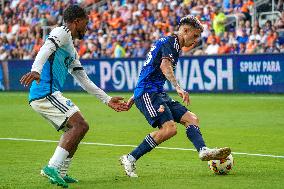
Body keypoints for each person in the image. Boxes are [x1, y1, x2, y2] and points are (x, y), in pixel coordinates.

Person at [20, 5, 128, 188]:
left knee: (80, 128)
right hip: (44, 92)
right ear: (76, 22)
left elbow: (84, 80)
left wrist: (107, 99)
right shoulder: (61, 32)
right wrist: (36, 70)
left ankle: (61, 172)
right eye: (85, 23)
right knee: (80, 125)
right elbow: (46, 48)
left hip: (49, 92)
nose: (87, 27)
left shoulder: (70, 48)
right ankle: (51, 167)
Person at [120, 16, 231, 178]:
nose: (196, 40)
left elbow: (148, 69)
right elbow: (164, 66)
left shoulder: (171, 44)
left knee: (191, 118)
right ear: (185, 31)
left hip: (154, 92)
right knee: (169, 129)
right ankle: (130, 158)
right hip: (148, 93)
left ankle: (203, 151)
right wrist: (178, 87)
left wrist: (133, 95)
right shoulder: (171, 43)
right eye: (195, 35)